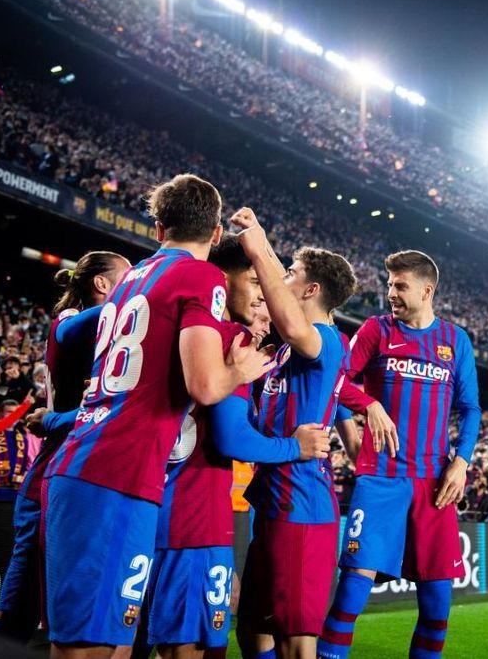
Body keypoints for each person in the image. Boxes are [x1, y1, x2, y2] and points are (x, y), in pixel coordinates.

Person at [42, 174, 274, 658]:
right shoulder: (203, 276)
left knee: (103, 643)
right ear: (215, 234)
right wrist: (241, 370)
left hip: (97, 466)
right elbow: (205, 384)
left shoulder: (131, 277)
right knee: (87, 648)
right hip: (116, 474)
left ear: (158, 227)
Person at [142, 232, 331, 659]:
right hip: (192, 516)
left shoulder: (183, 330)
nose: (263, 297)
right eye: (254, 282)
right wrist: (293, 447)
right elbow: (230, 438)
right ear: (221, 278)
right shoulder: (230, 338)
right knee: (191, 649)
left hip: (158, 506)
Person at [320, 250, 481, 659]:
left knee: (436, 606)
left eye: (400, 285)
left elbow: (470, 409)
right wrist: (367, 410)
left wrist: (461, 462)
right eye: (389, 283)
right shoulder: (375, 330)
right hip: (382, 478)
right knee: (352, 590)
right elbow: (338, 381)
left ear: (427, 291)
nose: (390, 292)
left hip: (434, 483)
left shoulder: (454, 340)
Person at [230, 208, 357, 659]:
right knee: (251, 630)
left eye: (291, 272)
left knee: (297, 642)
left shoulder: (327, 340)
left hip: (304, 504)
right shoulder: (284, 351)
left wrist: (258, 243)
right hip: (272, 499)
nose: (282, 277)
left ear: (311, 289)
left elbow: (291, 325)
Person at [0, 250, 130, 643]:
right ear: (102, 284)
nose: (136, 282)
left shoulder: (112, 337)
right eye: (128, 277)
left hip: (83, 465)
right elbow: (68, 334)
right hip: (55, 466)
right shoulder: (72, 320)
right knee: (25, 594)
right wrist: (57, 419)